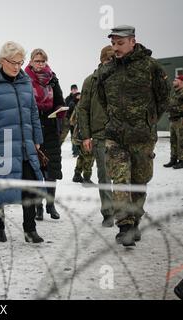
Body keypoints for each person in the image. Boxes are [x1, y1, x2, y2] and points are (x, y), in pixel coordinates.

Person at [98, 25, 170, 246]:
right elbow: (103, 100)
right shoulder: (107, 70)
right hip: (115, 136)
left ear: (132, 41)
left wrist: (148, 121)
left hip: (142, 137)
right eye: (113, 43)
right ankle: (125, 225)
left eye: (120, 43)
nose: (116, 48)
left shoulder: (151, 67)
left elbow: (163, 97)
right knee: (120, 180)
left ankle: (135, 219)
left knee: (139, 181)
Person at [0, 41, 45, 243]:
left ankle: (30, 229)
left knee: (30, 187)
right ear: (2, 61)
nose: (17, 67)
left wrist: (37, 139)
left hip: (25, 145)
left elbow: (33, 113)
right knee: (0, 188)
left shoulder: (25, 83)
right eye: (13, 62)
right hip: (1, 145)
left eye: (20, 63)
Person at [77, 45, 116, 227]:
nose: (111, 63)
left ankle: (127, 213)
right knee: (105, 175)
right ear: (101, 60)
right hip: (100, 135)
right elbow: (82, 109)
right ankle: (108, 213)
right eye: (108, 59)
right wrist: (85, 136)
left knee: (125, 176)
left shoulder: (121, 78)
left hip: (122, 134)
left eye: (113, 59)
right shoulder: (90, 81)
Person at [25, 48, 65, 221]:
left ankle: (50, 204)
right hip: (32, 128)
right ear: (31, 61)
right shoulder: (24, 79)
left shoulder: (52, 79)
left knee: (51, 169)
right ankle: (37, 206)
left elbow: (60, 101)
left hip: (49, 128)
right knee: (35, 170)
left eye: (43, 61)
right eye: (37, 61)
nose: (40, 64)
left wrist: (59, 110)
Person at [71, 92, 96, 184]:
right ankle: (86, 178)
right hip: (85, 135)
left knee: (82, 156)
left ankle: (77, 175)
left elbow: (72, 120)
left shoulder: (79, 104)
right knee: (89, 156)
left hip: (78, 135)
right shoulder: (88, 106)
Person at [163, 75, 183, 169]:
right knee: (173, 141)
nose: (173, 82)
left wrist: (171, 108)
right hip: (173, 119)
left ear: (181, 82)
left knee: (181, 141)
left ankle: (182, 160)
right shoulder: (176, 93)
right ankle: (173, 159)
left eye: (176, 80)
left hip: (180, 120)